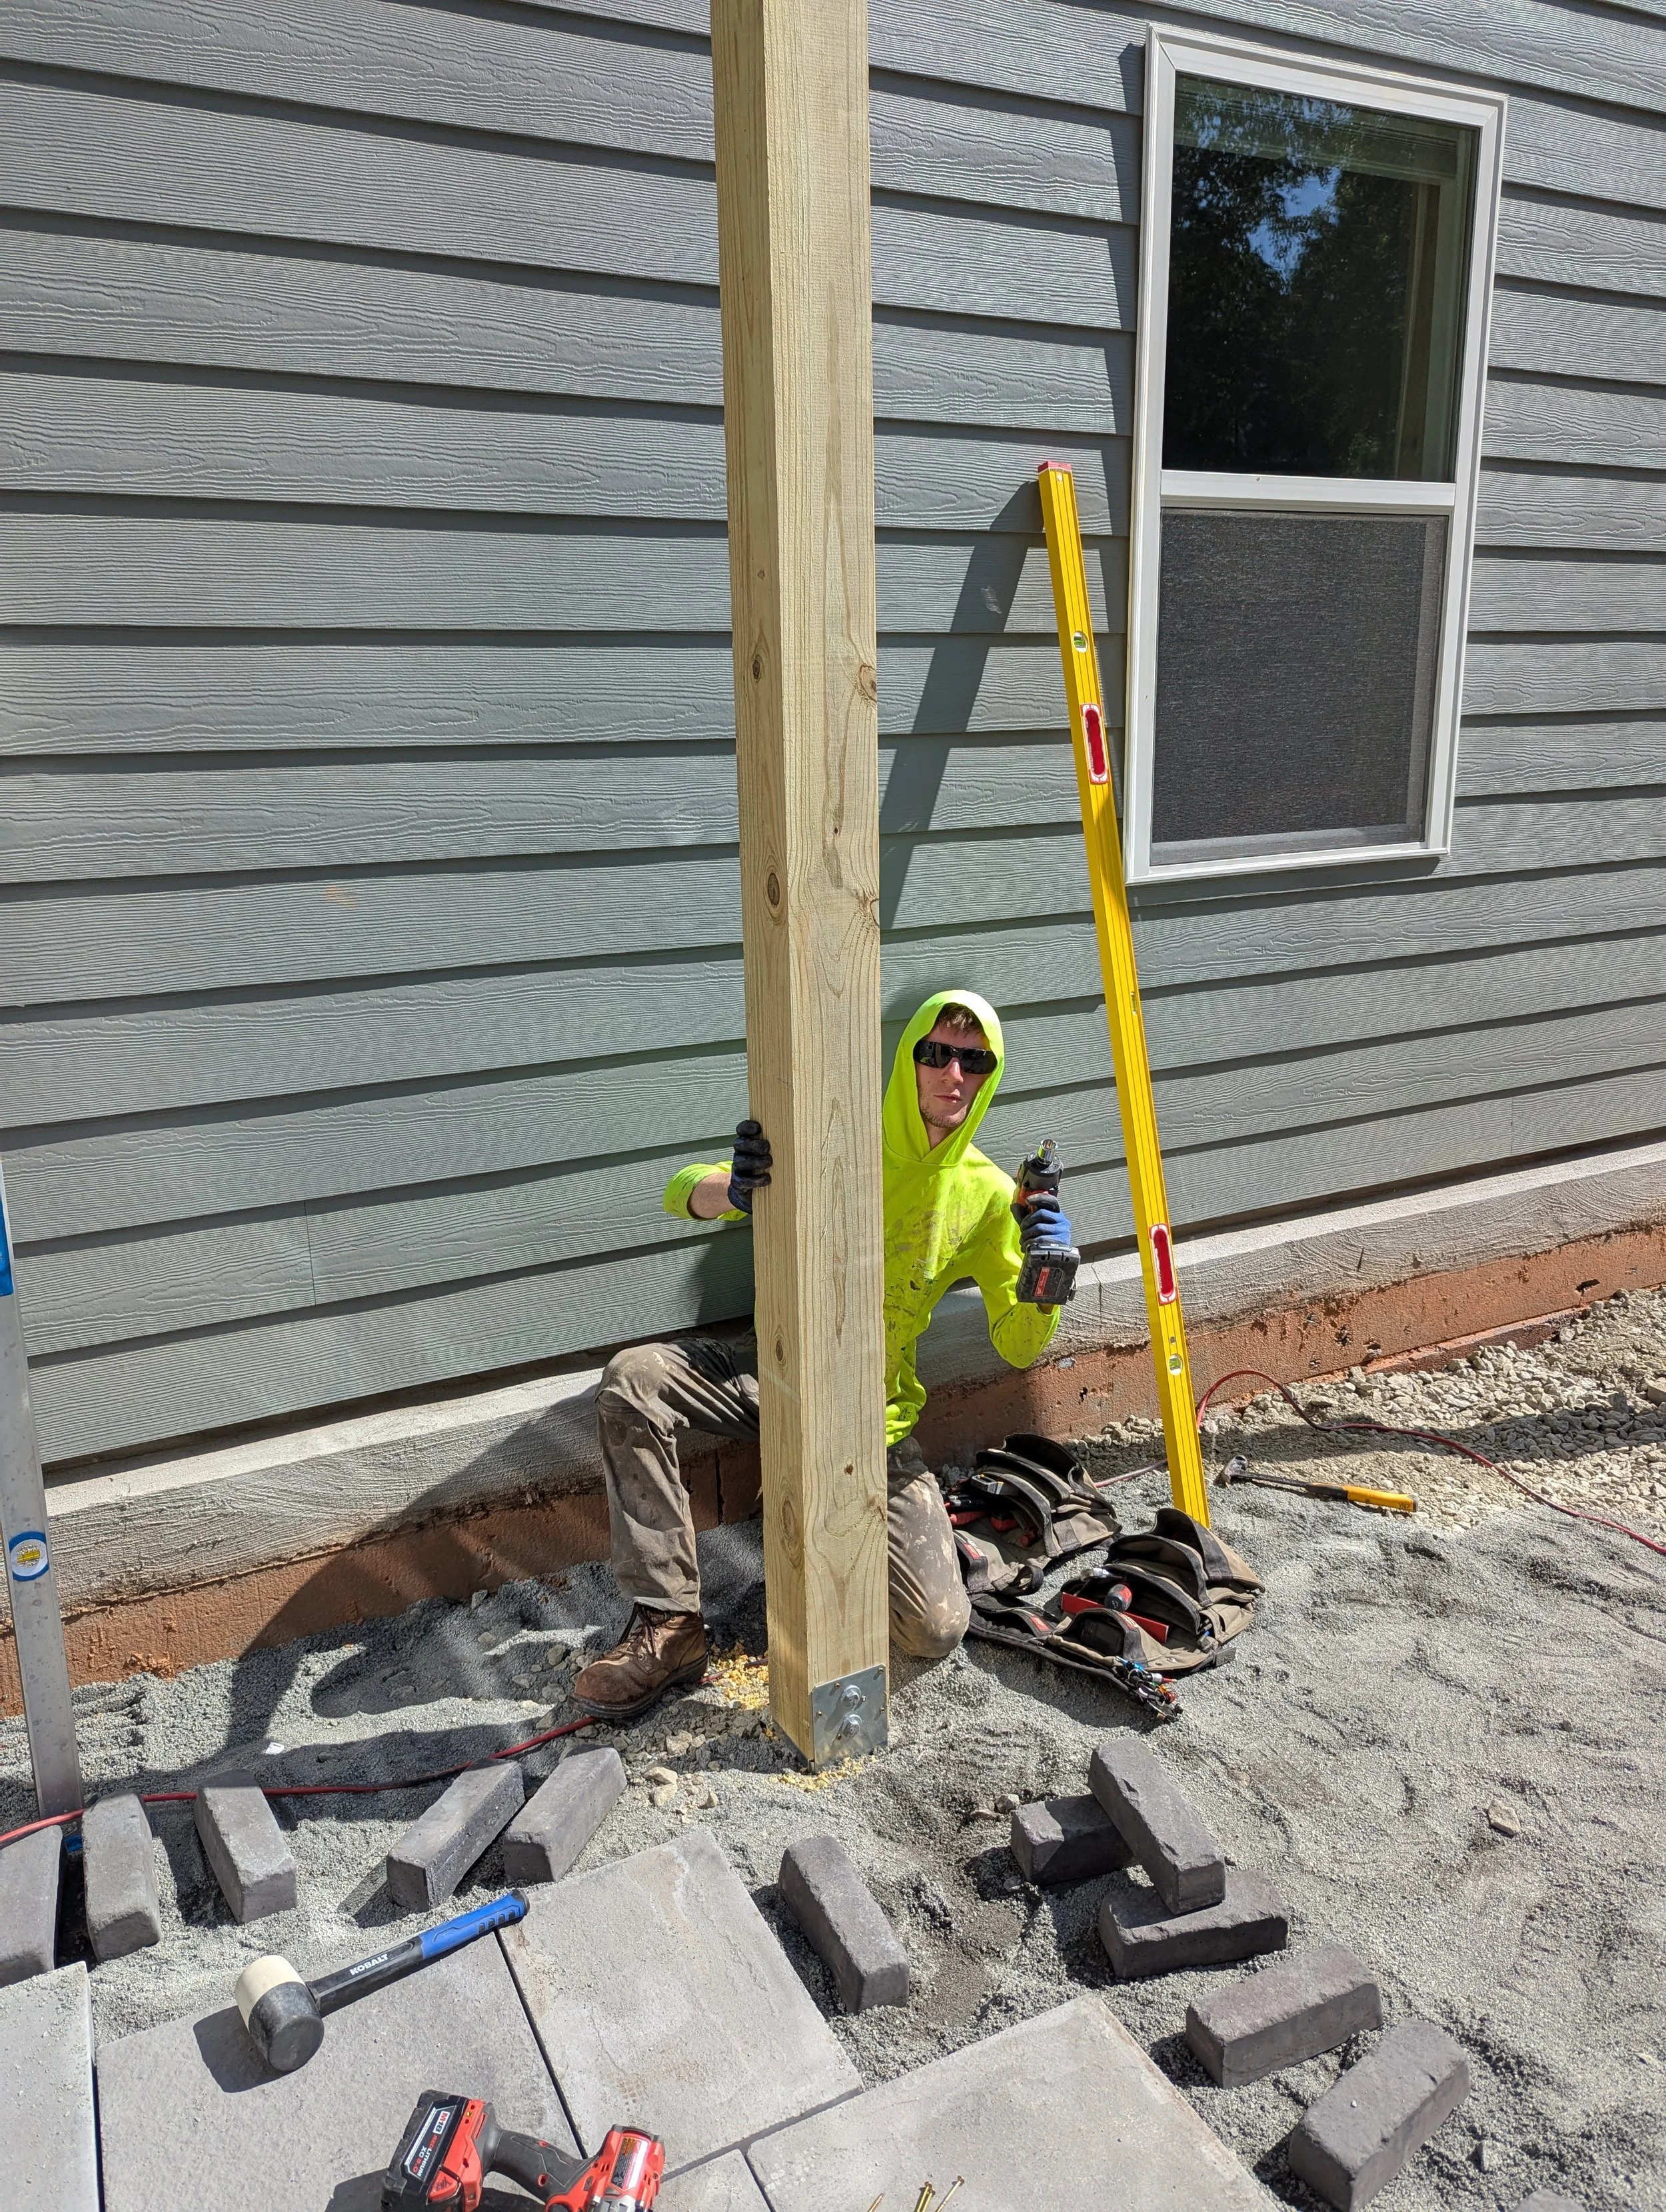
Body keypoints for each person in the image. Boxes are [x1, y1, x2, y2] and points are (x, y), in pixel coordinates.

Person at [570, 988, 1074, 1720]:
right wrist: (736, 1189)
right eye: (936, 1053)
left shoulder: (992, 1196)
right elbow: (680, 1192)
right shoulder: (834, 1136)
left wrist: (1044, 1279)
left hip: (873, 1420)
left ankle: (888, 1533)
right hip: (773, 1374)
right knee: (633, 1380)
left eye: (974, 1060)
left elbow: (1018, 1346)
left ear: (990, 1075)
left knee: (934, 1629)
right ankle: (669, 1623)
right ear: (908, 1060)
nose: (953, 1073)